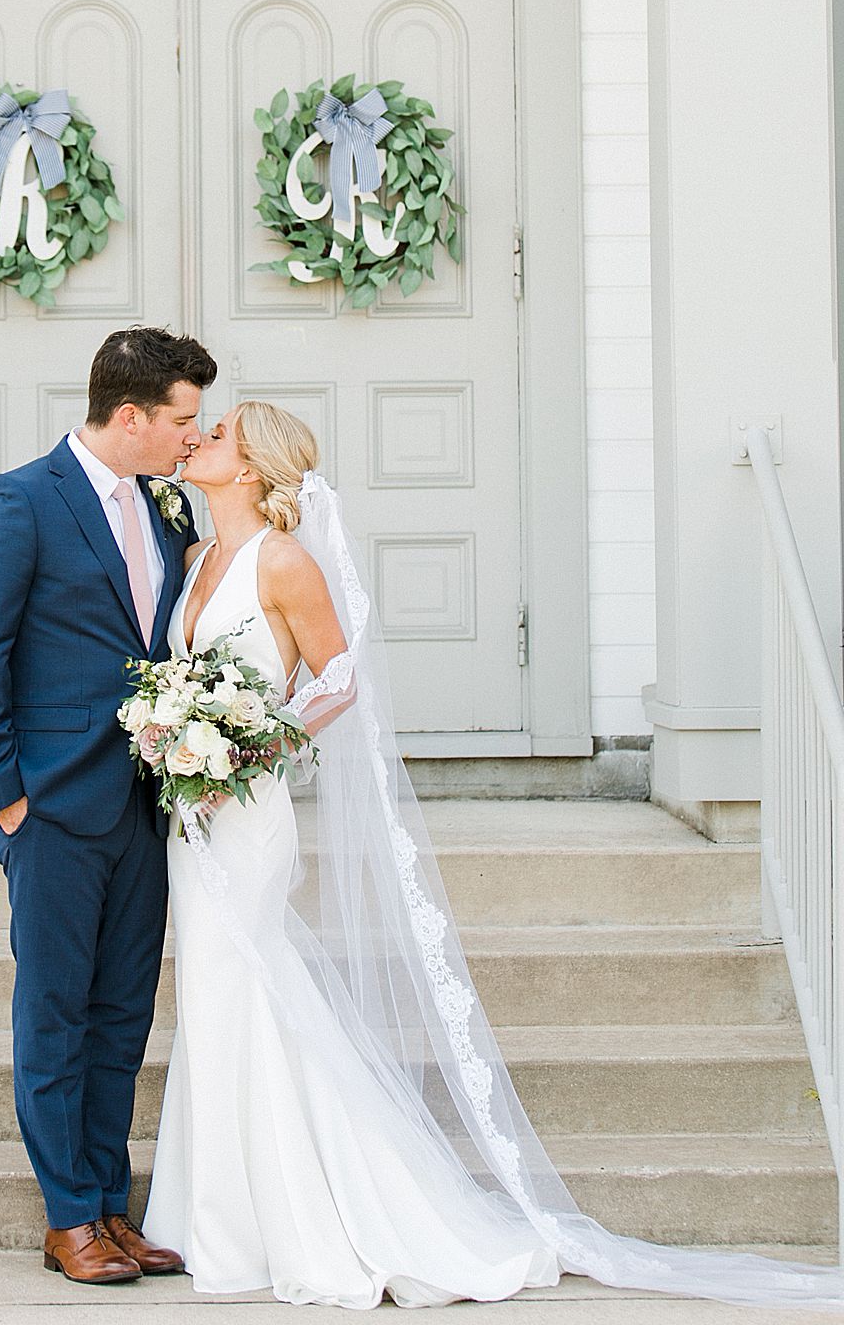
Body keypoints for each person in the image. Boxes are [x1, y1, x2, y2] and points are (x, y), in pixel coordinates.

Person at [143, 399, 844, 1311]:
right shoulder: (199, 559)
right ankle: (221, 1212)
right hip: (194, 818)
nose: (198, 439)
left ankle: (299, 1214)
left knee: (249, 984)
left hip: (248, 809)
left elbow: (341, 675)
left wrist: (260, 740)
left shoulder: (284, 560)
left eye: (221, 433)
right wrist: (176, 729)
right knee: (215, 994)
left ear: (251, 467)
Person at [0, 326, 216, 1286]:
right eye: (184, 419)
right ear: (131, 415)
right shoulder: (20, 502)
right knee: (55, 1014)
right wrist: (5, 800)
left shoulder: (170, 508)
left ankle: (110, 1204)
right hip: (53, 809)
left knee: (122, 1014)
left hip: (145, 803)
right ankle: (67, 1218)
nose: (196, 435)